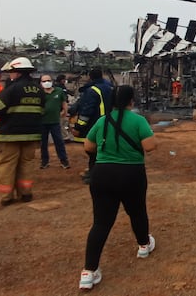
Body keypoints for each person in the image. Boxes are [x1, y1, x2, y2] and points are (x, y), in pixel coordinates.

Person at [79, 85, 157, 290]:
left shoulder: (102, 120)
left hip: (102, 174)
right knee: (137, 211)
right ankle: (143, 246)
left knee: (101, 223)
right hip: (132, 173)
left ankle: (88, 272)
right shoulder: (138, 121)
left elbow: (88, 146)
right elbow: (149, 146)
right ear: (131, 100)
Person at [0, 57, 44, 206]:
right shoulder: (39, 90)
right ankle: (26, 193)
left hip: (9, 135)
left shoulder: (10, 90)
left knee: (7, 165)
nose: (10, 75)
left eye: (11, 72)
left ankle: (6, 197)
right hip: (31, 135)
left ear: (18, 73)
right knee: (26, 164)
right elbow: (42, 111)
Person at [69, 67, 113, 184]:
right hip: (110, 124)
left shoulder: (92, 91)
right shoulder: (110, 88)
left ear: (90, 77)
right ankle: (96, 173)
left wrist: (79, 127)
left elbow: (86, 111)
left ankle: (95, 176)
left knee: (93, 151)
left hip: (95, 125)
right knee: (102, 150)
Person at [39, 74, 70, 170]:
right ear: (40, 83)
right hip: (42, 121)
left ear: (52, 81)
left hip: (55, 121)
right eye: (44, 81)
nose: (46, 83)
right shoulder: (39, 93)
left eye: (48, 80)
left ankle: (64, 161)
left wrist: (64, 112)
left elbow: (64, 102)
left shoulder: (59, 91)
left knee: (59, 141)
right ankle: (44, 161)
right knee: (43, 143)